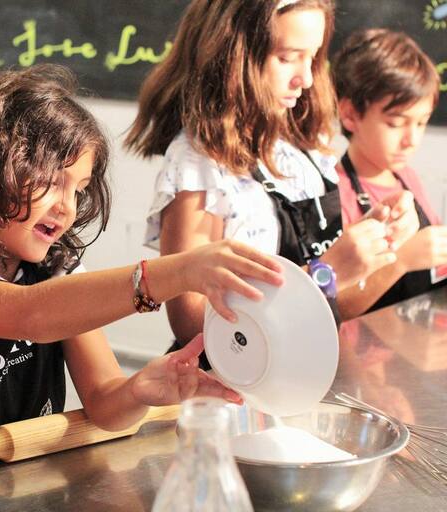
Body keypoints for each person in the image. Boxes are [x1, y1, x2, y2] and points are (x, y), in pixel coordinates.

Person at [0, 64, 284, 451]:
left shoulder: (56, 269)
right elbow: (28, 315)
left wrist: (140, 390)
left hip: (21, 481)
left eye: (79, 189)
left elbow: (105, 403)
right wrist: (177, 272)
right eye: (53, 181)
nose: (67, 208)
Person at [124, 0, 418, 349]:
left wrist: (379, 241)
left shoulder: (301, 146)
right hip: (233, 374)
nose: (306, 78)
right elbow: (190, 322)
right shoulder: (199, 162)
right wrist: (325, 273)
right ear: (234, 54)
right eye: (287, 57)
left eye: (312, 57)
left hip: (302, 363)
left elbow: (337, 301)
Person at [332, 28, 447, 316]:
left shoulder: (406, 177)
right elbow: (337, 306)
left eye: (421, 123)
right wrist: (402, 260)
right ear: (350, 115)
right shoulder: (334, 195)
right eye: (396, 124)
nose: (412, 140)